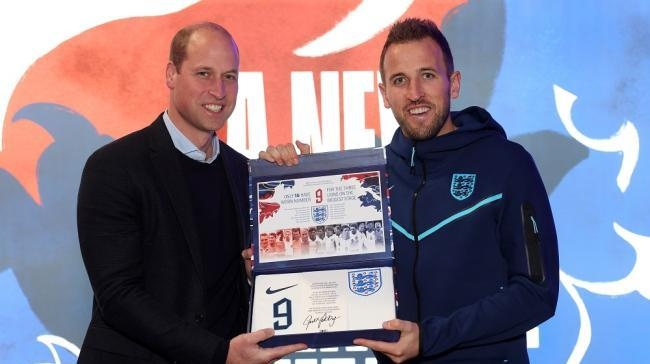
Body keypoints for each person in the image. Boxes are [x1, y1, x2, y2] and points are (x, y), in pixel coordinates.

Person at [264, 17, 559, 364]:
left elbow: (536, 293)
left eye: (428, 75)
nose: (415, 92)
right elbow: (334, 285)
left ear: (454, 83)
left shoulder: (507, 164)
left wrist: (430, 337)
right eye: (400, 80)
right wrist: (290, 199)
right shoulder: (366, 181)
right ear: (384, 94)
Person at [76, 22, 307, 364]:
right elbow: (119, 296)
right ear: (171, 74)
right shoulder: (113, 166)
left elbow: (259, 278)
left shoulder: (247, 174)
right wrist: (218, 354)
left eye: (230, 77)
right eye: (204, 73)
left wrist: (296, 180)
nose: (219, 90)